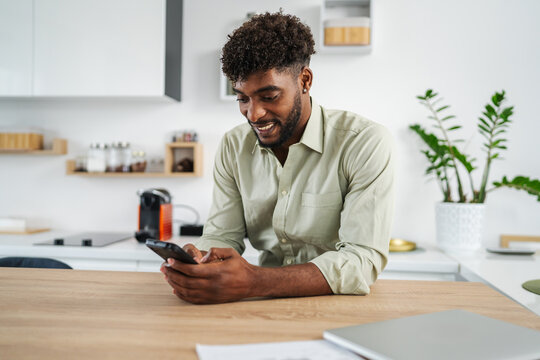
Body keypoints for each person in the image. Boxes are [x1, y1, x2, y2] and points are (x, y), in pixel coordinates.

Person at [161, 11, 395, 304]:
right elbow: (222, 235)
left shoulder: (363, 142)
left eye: (269, 96)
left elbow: (361, 260)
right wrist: (201, 260)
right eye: (242, 98)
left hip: (338, 304)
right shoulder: (234, 146)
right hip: (262, 305)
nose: (254, 114)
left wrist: (254, 281)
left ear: (305, 81)